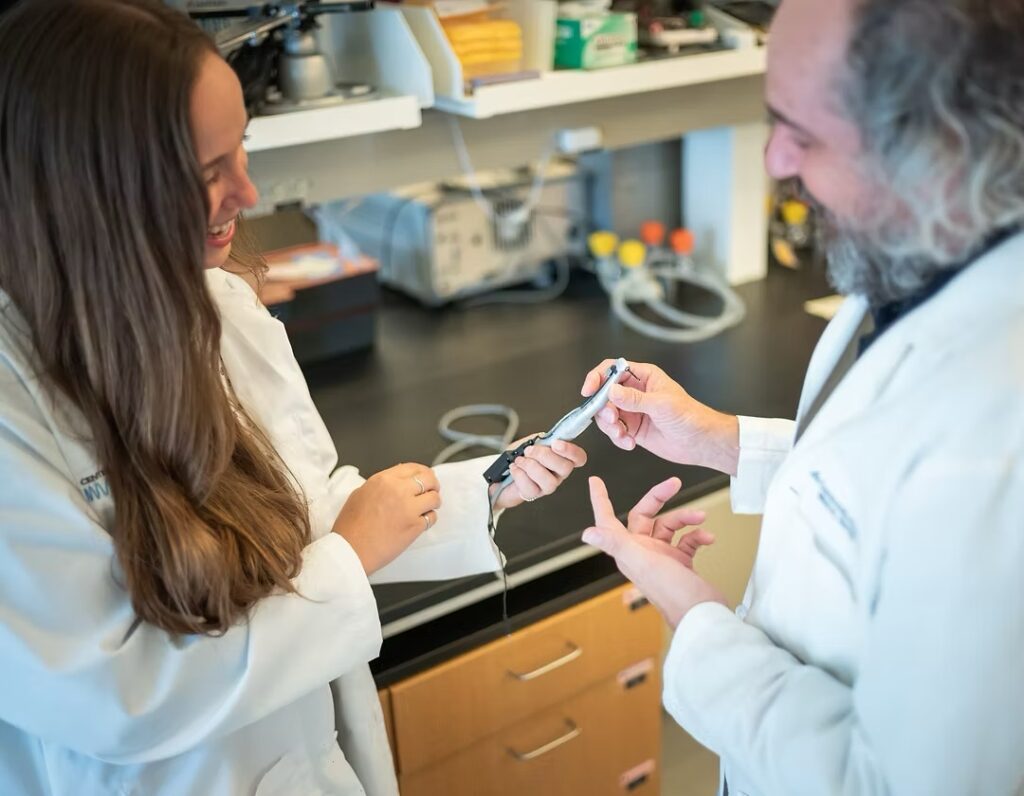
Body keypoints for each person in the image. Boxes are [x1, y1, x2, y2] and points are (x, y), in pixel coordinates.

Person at [0, 1, 587, 794]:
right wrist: (352, 555)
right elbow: (118, 694)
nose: (246, 189)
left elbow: (307, 513)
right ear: (89, 187)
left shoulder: (219, 310)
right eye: (207, 172)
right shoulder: (14, 407)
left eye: (242, 148)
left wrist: (486, 488)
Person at [579, 0, 1024, 793]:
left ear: (941, 154)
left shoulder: (997, 436)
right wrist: (716, 438)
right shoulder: (927, 258)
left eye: (803, 133)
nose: (774, 161)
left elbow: (889, 785)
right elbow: (887, 484)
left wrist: (699, 617)